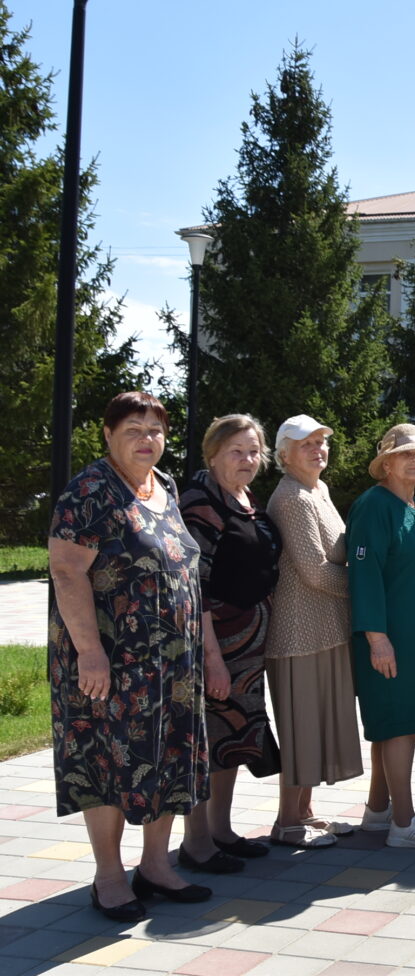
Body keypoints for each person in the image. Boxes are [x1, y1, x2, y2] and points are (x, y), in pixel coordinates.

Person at [48, 392, 212, 921]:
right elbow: (67, 572)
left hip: (172, 666)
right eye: (134, 429)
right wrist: (90, 652)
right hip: (114, 665)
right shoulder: (91, 491)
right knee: (107, 761)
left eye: (156, 430)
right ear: (107, 434)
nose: (148, 439)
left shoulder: (162, 486)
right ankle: (110, 877)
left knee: (167, 756)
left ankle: (156, 867)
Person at [177, 415, 282, 873]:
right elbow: (194, 585)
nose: (248, 459)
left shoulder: (244, 497)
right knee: (205, 741)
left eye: (254, 451)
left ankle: (221, 830)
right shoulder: (199, 501)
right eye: (237, 451)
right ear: (213, 453)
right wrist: (213, 658)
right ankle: (195, 842)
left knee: (233, 739)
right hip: (214, 642)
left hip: (248, 643)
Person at [348, 423, 415, 850]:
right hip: (392, 638)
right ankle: (404, 822)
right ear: (386, 464)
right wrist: (377, 638)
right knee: (396, 725)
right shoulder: (375, 505)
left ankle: (378, 811)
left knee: (395, 725)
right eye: (407, 454)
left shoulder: (412, 504)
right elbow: (365, 573)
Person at [264, 414, 364, 848]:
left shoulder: (317, 490)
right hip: (297, 633)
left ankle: (304, 811)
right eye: (307, 444)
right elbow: (317, 573)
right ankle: (287, 822)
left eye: (323, 442)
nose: (318, 450)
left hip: (326, 627)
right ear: (284, 453)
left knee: (315, 723)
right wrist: (370, 590)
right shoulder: (292, 498)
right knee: (301, 726)